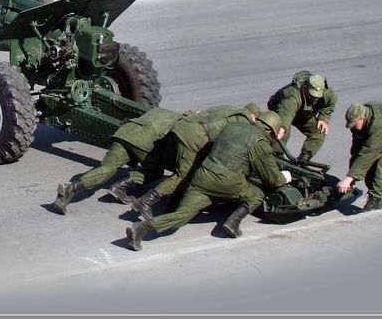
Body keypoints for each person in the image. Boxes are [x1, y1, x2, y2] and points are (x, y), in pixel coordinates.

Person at [125, 110, 291, 251]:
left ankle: (141, 228)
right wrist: (284, 177)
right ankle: (233, 223)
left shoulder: (232, 127)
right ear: (270, 131)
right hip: (227, 182)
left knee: (181, 216)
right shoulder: (259, 142)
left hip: (202, 177)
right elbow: (271, 179)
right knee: (256, 194)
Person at [129, 103, 260, 220]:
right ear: (254, 117)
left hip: (183, 126)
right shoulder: (243, 122)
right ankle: (146, 200)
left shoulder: (228, 108)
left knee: (187, 169)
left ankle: (171, 205)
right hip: (195, 137)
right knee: (184, 175)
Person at [52, 107, 183, 214]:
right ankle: (120, 186)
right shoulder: (185, 124)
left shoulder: (163, 111)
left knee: (106, 168)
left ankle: (70, 188)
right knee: (155, 171)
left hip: (124, 132)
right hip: (143, 141)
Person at [267, 71, 337, 165]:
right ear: (305, 87)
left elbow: (330, 104)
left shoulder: (325, 91)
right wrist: (283, 127)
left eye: (318, 96)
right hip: (281, 109)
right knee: (283, 131)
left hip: (303, 113)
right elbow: (286, 114)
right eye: (312, 95)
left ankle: (304, 157)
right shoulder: (292, 96)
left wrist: (323, 118)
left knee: (320, 131)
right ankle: (274, 156)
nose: (316, 99)